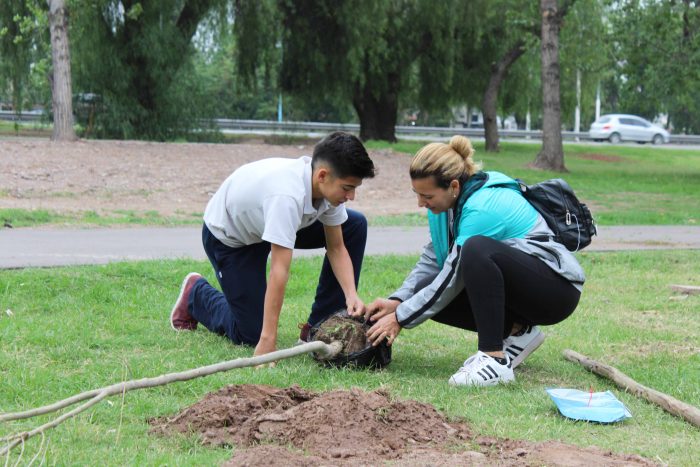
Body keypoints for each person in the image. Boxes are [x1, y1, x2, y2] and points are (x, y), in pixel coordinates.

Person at [354, 135, 585, 387]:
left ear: (453, 186)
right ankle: (519, 332)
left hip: (556, 292)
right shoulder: (447, 206)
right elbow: (433, 259)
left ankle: (493, 360)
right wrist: (398, 300)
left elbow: (452, 277)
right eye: (417, 194)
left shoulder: (481, 207)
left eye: (427, 196)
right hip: (525, 290)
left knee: (475, 250)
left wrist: (400, 317)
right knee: (430, 287)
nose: (421, 203)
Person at [170, 132, 375, 357]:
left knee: (354, 225)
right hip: (232, 238)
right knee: (251, 333)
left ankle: (319, 328)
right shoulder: (286, 197)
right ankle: (195, 293)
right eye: (347, 188)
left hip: (268, 223)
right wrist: (267, 340)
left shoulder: (327, 191)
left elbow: (337, 247)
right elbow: (279, 271)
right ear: (322, 175)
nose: (352, 196)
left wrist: (351, 294)